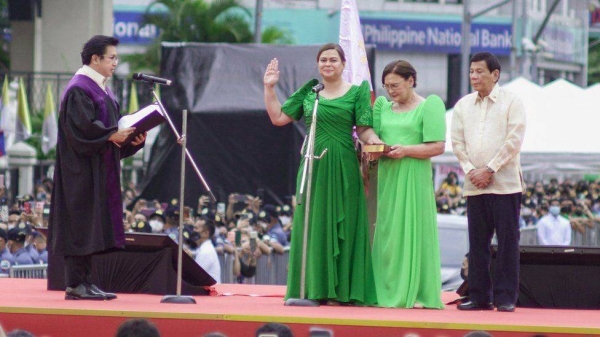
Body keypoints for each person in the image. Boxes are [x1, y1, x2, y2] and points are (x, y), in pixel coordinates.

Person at [263, 43, 381, 305]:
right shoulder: (310, 92)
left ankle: (343, 292)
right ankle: (313, 289)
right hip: (312, 164)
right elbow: (278, 117)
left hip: (343, 164)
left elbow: (364, 129)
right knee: (313, 223)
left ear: (343, 64)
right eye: (323, 60)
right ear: (318, 64)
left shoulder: (356, 92)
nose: (328, 64)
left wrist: (375, 140)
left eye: (333, 60)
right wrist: (269, 87)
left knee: (346, 223)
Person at [48, 35, 146, 301]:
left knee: (90, 227)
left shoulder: (101, 89)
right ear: (95, 59)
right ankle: (75, 284)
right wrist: (111, 135)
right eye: (112, 57)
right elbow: (81, 132)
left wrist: (131, 141)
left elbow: (108, 136)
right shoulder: (80, 88)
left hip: (97, 171)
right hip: (79, 173)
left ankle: (87, 283)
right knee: (80, 225)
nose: (116, 62)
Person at [451, 52, 526, 312]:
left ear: (495, 74)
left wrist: (490, 169)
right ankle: (479, 295)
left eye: (480, 71)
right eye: (471, 71)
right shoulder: (462, 106)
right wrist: (472, 170)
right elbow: (457, 143)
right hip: (474, 185)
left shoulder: (512, 102)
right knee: (477, 244)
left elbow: (514, 140)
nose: (474, 76)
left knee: (507, 243)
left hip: (505, 184)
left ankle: (506, 297)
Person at [370, 60, 446, 309]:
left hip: (413, 175)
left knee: (413, 228)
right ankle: (387, 287)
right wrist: (377, 147)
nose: (391, 90)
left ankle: (416, 292)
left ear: (411, 80)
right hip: (388, 175)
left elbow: (437, 146)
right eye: (386, 86)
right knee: (388, 232)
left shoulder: (428, 106)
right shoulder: (383, 107)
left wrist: (407, 150)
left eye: (395, 85)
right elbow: (372, 135)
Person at [193, 217, 221, 283]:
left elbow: (196, 275)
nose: (193, 231)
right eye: (194, 228)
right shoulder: (203, 248)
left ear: (206, 233)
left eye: (196, 228)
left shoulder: (206, 251)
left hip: (210, 292)